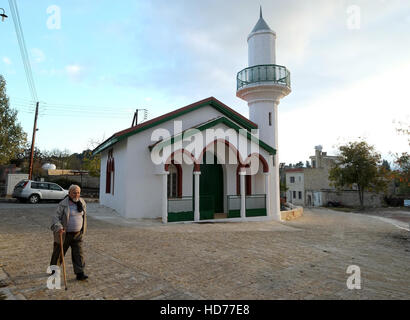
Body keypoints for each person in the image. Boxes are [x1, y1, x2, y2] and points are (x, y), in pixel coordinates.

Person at [50, 184, 88, 281]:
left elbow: (83, 217)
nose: (77, 195)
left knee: (79, 254)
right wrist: (59, 227)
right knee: (59, 253)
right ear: (69, 193)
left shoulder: (82, 202)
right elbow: (55, 217)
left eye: (78, 192)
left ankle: (80, 273)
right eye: (74, 192)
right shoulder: (63, 204)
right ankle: (54, 270)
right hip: (65, 234)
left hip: (78, 234)